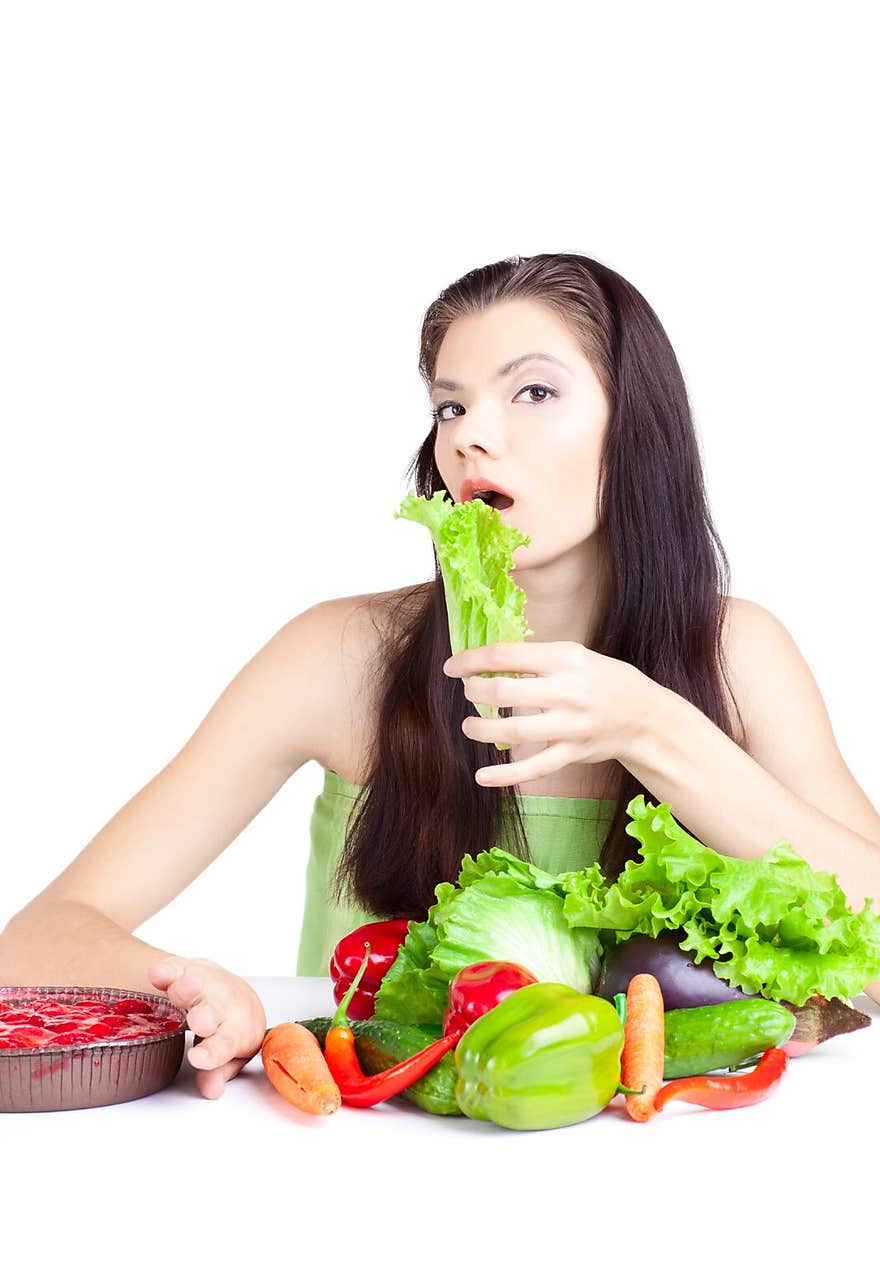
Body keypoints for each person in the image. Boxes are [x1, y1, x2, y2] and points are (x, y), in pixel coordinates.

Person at [3, 251, 879, 1100]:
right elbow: (35, 941)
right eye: (450, 406)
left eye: (532, 392)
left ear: (638, 426)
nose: (472, 436)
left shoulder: (740, 659)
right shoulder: (337, 655)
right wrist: (189, 987)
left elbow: (872, 968)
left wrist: (655, 732)